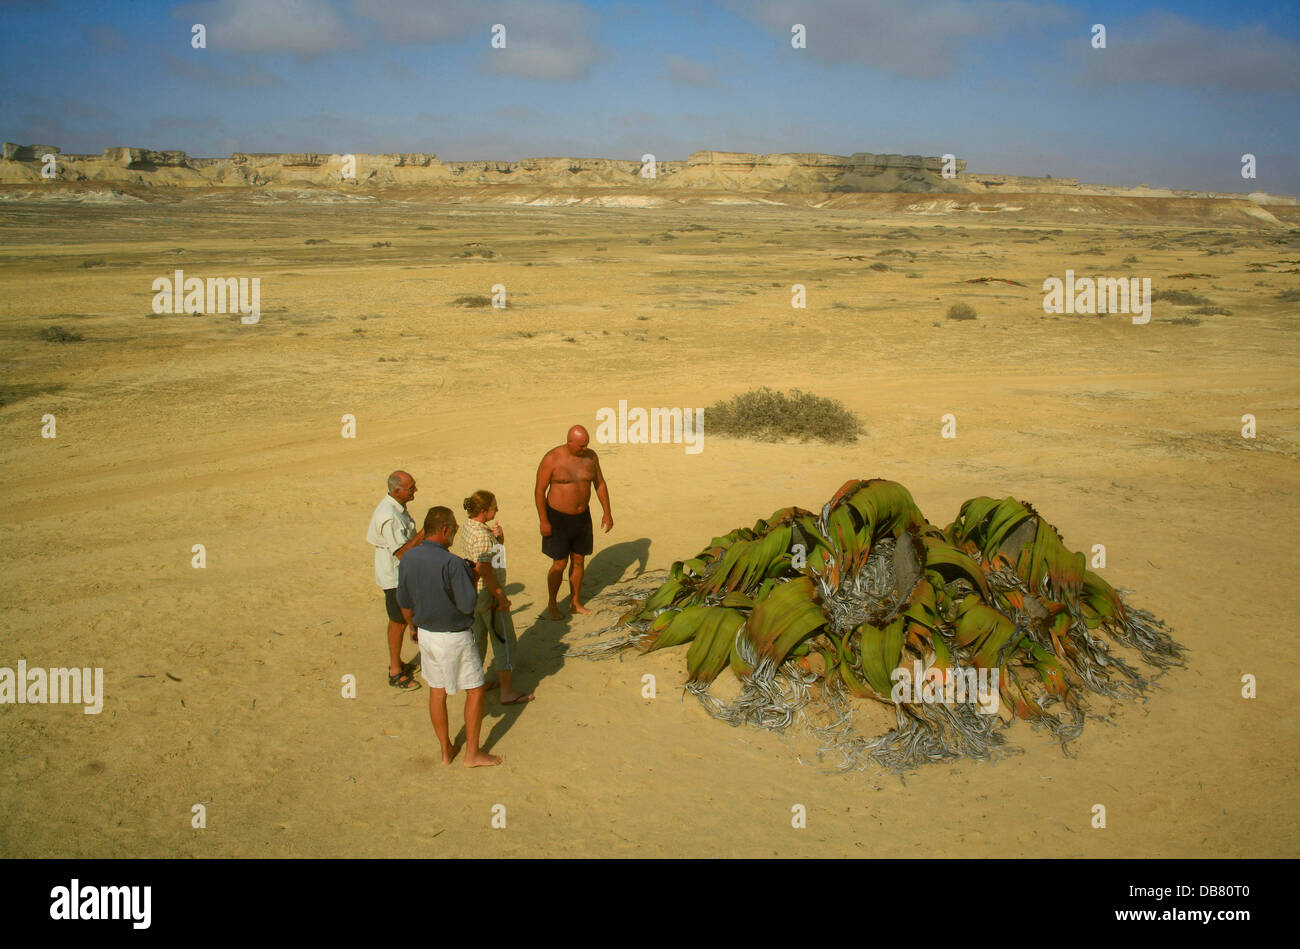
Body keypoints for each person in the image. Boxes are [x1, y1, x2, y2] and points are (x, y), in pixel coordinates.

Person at [396, 506, 501, 768]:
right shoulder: (453, 563)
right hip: (454, 636)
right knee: (475, 689)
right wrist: (474, 574)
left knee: (437, 690)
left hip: (426, 635)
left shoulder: (408, 558)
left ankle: (446, 750)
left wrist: (413, 627)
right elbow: (467, 605)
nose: (454, 531)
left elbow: (404, 602)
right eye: (453, 527)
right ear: (444, 530)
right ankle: (473, 753)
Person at [459, 491, 534, 705]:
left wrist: (499, 540)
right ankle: (507, 692)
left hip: (473, 593)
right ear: (484, 511)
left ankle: (476, 682)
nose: (497, 509)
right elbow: (486, 570)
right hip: (488, 594)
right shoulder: (483, 536)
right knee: (504, 641)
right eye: (493, 506)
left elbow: (491, 561)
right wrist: (500, 595)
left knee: (477, 640)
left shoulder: (469, 527)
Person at [535, 425, 613, 620]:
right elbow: (539, 490)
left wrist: (607, 512)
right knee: (559, 564)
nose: (584, 448)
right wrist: (543, 520)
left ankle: (575, 602)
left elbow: (600, 484)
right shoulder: (553, 459)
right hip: (558, 518)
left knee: (579, 560)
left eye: (586, 444)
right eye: (580, 446)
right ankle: (552, 604)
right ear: (570, 442)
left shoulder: (591, 457)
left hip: (582, 517)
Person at [366, 470, 425, 689]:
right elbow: (401, 553)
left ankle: (397, 663)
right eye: (411, 488)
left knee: (400, 620)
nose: (415, 490)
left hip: (402, 574)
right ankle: (395, 670)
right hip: (394, 577)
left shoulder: (395, 508)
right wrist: (424, 533)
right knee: (397, 622)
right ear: (397, 491)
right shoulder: (389, 516)